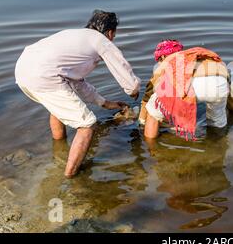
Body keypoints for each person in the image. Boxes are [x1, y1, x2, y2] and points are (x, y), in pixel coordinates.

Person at [15, 10, 141, 178]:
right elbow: (122, 68)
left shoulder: (75, 36)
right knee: (88, 124)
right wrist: (133, 90)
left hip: (23, 71)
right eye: (114, 35)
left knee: (58, 108)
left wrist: (105, 103)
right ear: (110, 32)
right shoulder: (101, 40)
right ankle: (71, 175)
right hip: (44, 75)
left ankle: (60, 149)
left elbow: (77, 82)